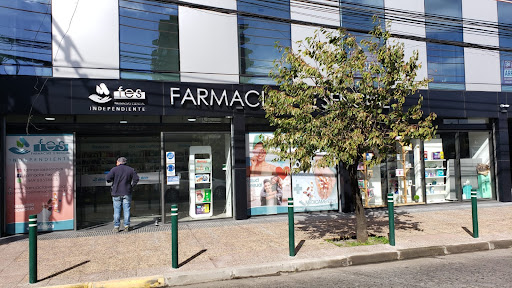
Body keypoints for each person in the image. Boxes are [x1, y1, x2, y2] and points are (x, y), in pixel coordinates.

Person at [106, 157, 139, 232]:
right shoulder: (130, 169)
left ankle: (116, 227)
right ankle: (126, 226)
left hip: (116, 192)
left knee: (117, 210)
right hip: (127, 192)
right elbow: (136, 179)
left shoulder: (114, 169)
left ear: (118, 162)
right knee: (127, 209)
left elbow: (108, 178)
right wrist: (131, 186)